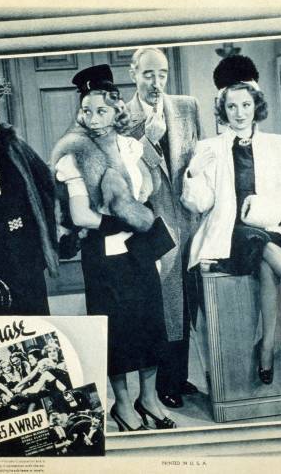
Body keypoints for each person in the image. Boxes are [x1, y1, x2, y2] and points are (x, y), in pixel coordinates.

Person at [181, 55, 281, 384]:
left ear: (255, 105)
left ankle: (266, 345)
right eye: (231, 107)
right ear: (223, 110)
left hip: (269, 225)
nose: (239, 113)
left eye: (245, 105)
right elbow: (199, 204)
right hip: (228, 232)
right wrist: (194, 172)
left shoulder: (277, 144)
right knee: (257, 243)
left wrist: (263, 212)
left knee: (264, 254)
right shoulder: (209, 147)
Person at [51, 64, 176, 431]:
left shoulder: (132, 146)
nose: (92, 119)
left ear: (117, 108)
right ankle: (123, 406)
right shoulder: (74, 155)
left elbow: (148, 189)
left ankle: (148, 399)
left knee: (152, 325)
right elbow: (81, 215)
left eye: (101, 110)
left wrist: (139, 211)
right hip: (103, 256)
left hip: (140, 251)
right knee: (117, 333)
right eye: (86, 111)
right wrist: (125, 220)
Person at [125, 47, 202, 408]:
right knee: (163, 305)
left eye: (162, 74)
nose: (156, 82)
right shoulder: (121, 117)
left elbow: (198, 159)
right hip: (152, 225)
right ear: (133, 74)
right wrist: (149, 140)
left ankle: (180, 376)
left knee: (188, 301)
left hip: (189, 220)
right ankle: (162, 385)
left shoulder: (187, 107)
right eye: (148, 74)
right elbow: (127, 176)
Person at [0, 72, 58, 315]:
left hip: (27, 257)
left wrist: (51, 234)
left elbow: (47, 186)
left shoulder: (10, 146)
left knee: (37, 331)